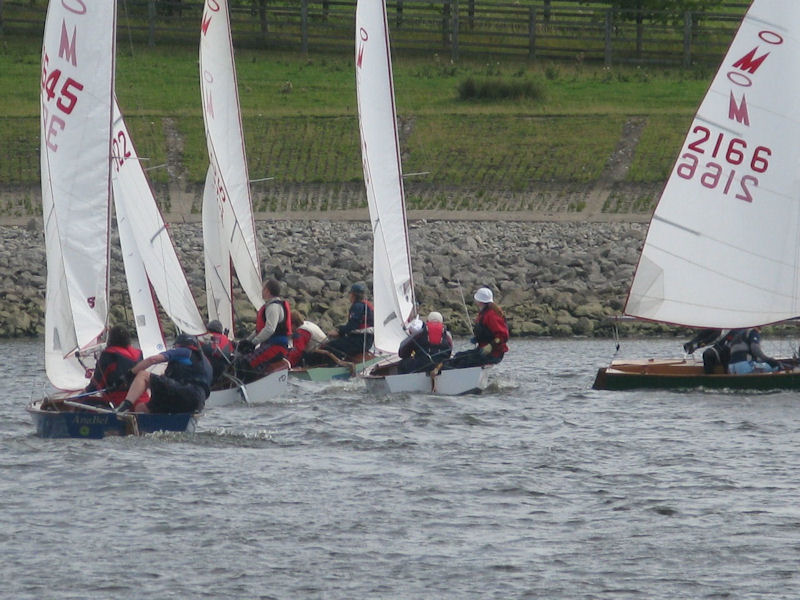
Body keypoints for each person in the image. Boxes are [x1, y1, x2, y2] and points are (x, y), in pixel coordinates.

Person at [117, 333, 213, 414]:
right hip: (198, 403)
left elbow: (152, 359)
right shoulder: (207, 363)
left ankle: (123, 407)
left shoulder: (184, 351)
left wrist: (129, 375)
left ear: (180, 345)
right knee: (140, 408)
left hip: (186, 393)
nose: (174, 348)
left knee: (143, 375)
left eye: (175, 346)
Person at [235, 278, 293, 382]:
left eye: (263, 288)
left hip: (277, 347)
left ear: (267, 290)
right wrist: (247, 341)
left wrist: (253, 343)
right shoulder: (270, 306)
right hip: (270, 345)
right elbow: (259, 330)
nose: (262, 291)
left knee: (245, 363)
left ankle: (246, 387)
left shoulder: (273, 307)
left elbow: (270, 329)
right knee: (241, 359)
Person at [84, 325, 147, 408]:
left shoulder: (109, 355)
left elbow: (97, 383)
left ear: (111, 339)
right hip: (143, 398)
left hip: (120, 401)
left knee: (81, 402)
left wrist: (83, 393)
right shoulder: (138, 354)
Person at [446, 287, 509, 369]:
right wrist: (478, 339)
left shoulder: (492, 315)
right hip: (483, 350)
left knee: (459, 361)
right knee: (458, 356)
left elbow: (503, 335)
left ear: (479, 301)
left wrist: (490, 346)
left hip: (492, 354)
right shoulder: (485, 313)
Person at [319, 282, 374, 360]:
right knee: (341, 342)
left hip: (360, 341)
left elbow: (352, 326)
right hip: (368, 340)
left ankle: (333, 366)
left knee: (330, 346)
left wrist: (339, 331)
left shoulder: (357, 306)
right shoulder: (367, 305)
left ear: (353, 295)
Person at [200, 319, 234, 385]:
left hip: (206, 367)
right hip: (220, 369)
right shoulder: (225, 339)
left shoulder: (203, 337)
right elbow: (230, 352)